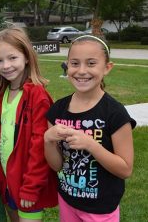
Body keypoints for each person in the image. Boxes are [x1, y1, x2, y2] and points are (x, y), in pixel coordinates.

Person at [44, 35, 136, 222]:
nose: (82, 71)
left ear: (107, 68)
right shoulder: (57, 111)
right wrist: (48, 140)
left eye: (91, 63)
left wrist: (91, 144)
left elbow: (125, 169)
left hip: (101, 208)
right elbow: (57, 165)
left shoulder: (115, 113)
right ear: (66, 66)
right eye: (75, 63)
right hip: (68, 199)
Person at [0, 27, 58, 222]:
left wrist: (31, 187)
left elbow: (40, 147)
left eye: (12, 58)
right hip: (6, 184)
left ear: (26, 57)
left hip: (28, 185)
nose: (6, 65)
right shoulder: (0, 95)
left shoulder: (37, 95)